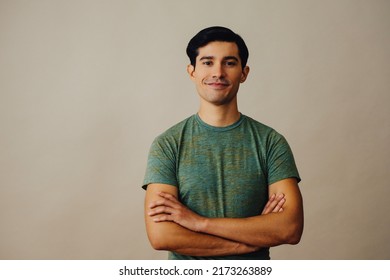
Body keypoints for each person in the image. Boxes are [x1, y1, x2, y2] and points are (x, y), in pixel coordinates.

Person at [142, 26, 303, 260]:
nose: (218, 72)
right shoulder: (168, 144)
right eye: (207, 62)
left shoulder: (270, 143)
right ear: (191, 72)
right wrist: (246, 243)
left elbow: (289, 228)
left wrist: (198, 222)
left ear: (244, 73)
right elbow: (162, 236)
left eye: (229, 63)